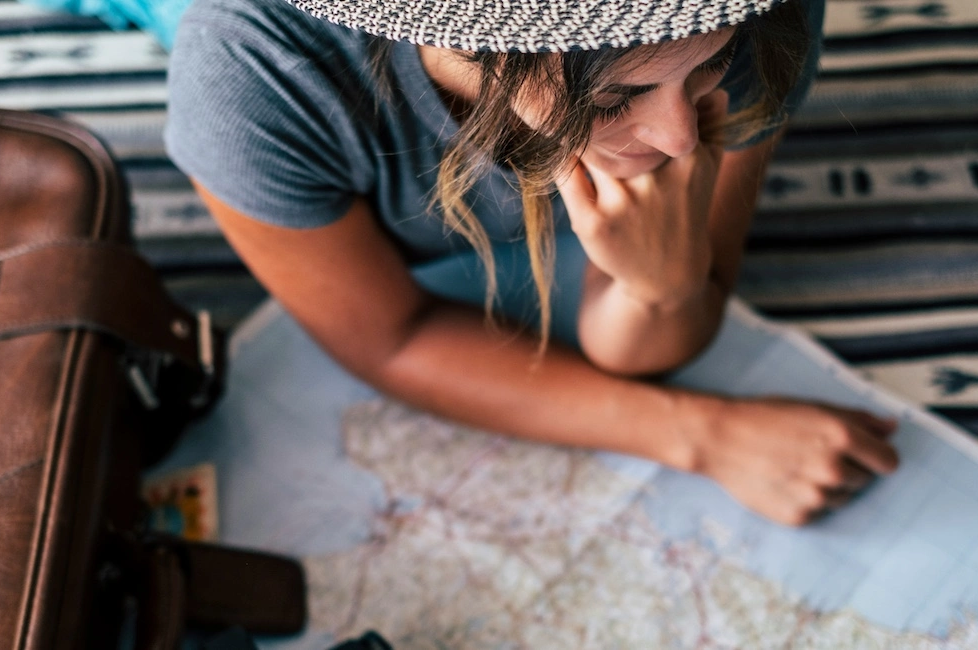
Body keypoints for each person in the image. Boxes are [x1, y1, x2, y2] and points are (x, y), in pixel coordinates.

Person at [165, 0, 899, 526]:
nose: (681, 139)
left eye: (707, 63)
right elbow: (392, 336)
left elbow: (655, 340)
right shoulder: (247, 80)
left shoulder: (764, 20)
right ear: (468, 48)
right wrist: (700, 434)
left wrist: (663, 281)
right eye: (619, 98)